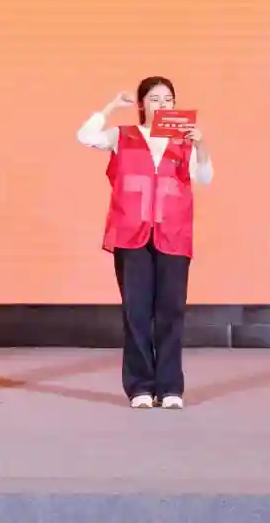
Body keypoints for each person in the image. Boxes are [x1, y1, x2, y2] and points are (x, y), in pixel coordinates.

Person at [77, 76, 214, 410]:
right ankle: (140, 386)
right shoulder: (122, 136)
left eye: (168, 100)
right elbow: (85, 136)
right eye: (154, 99)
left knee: (171, 311)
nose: (162, 105)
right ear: (142, 105)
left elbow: (205, 177)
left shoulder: (184, 141)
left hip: (173, 234)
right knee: (136, 312)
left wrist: (201, 145)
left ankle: (170, 388)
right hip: (131, 232)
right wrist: (111, 106)